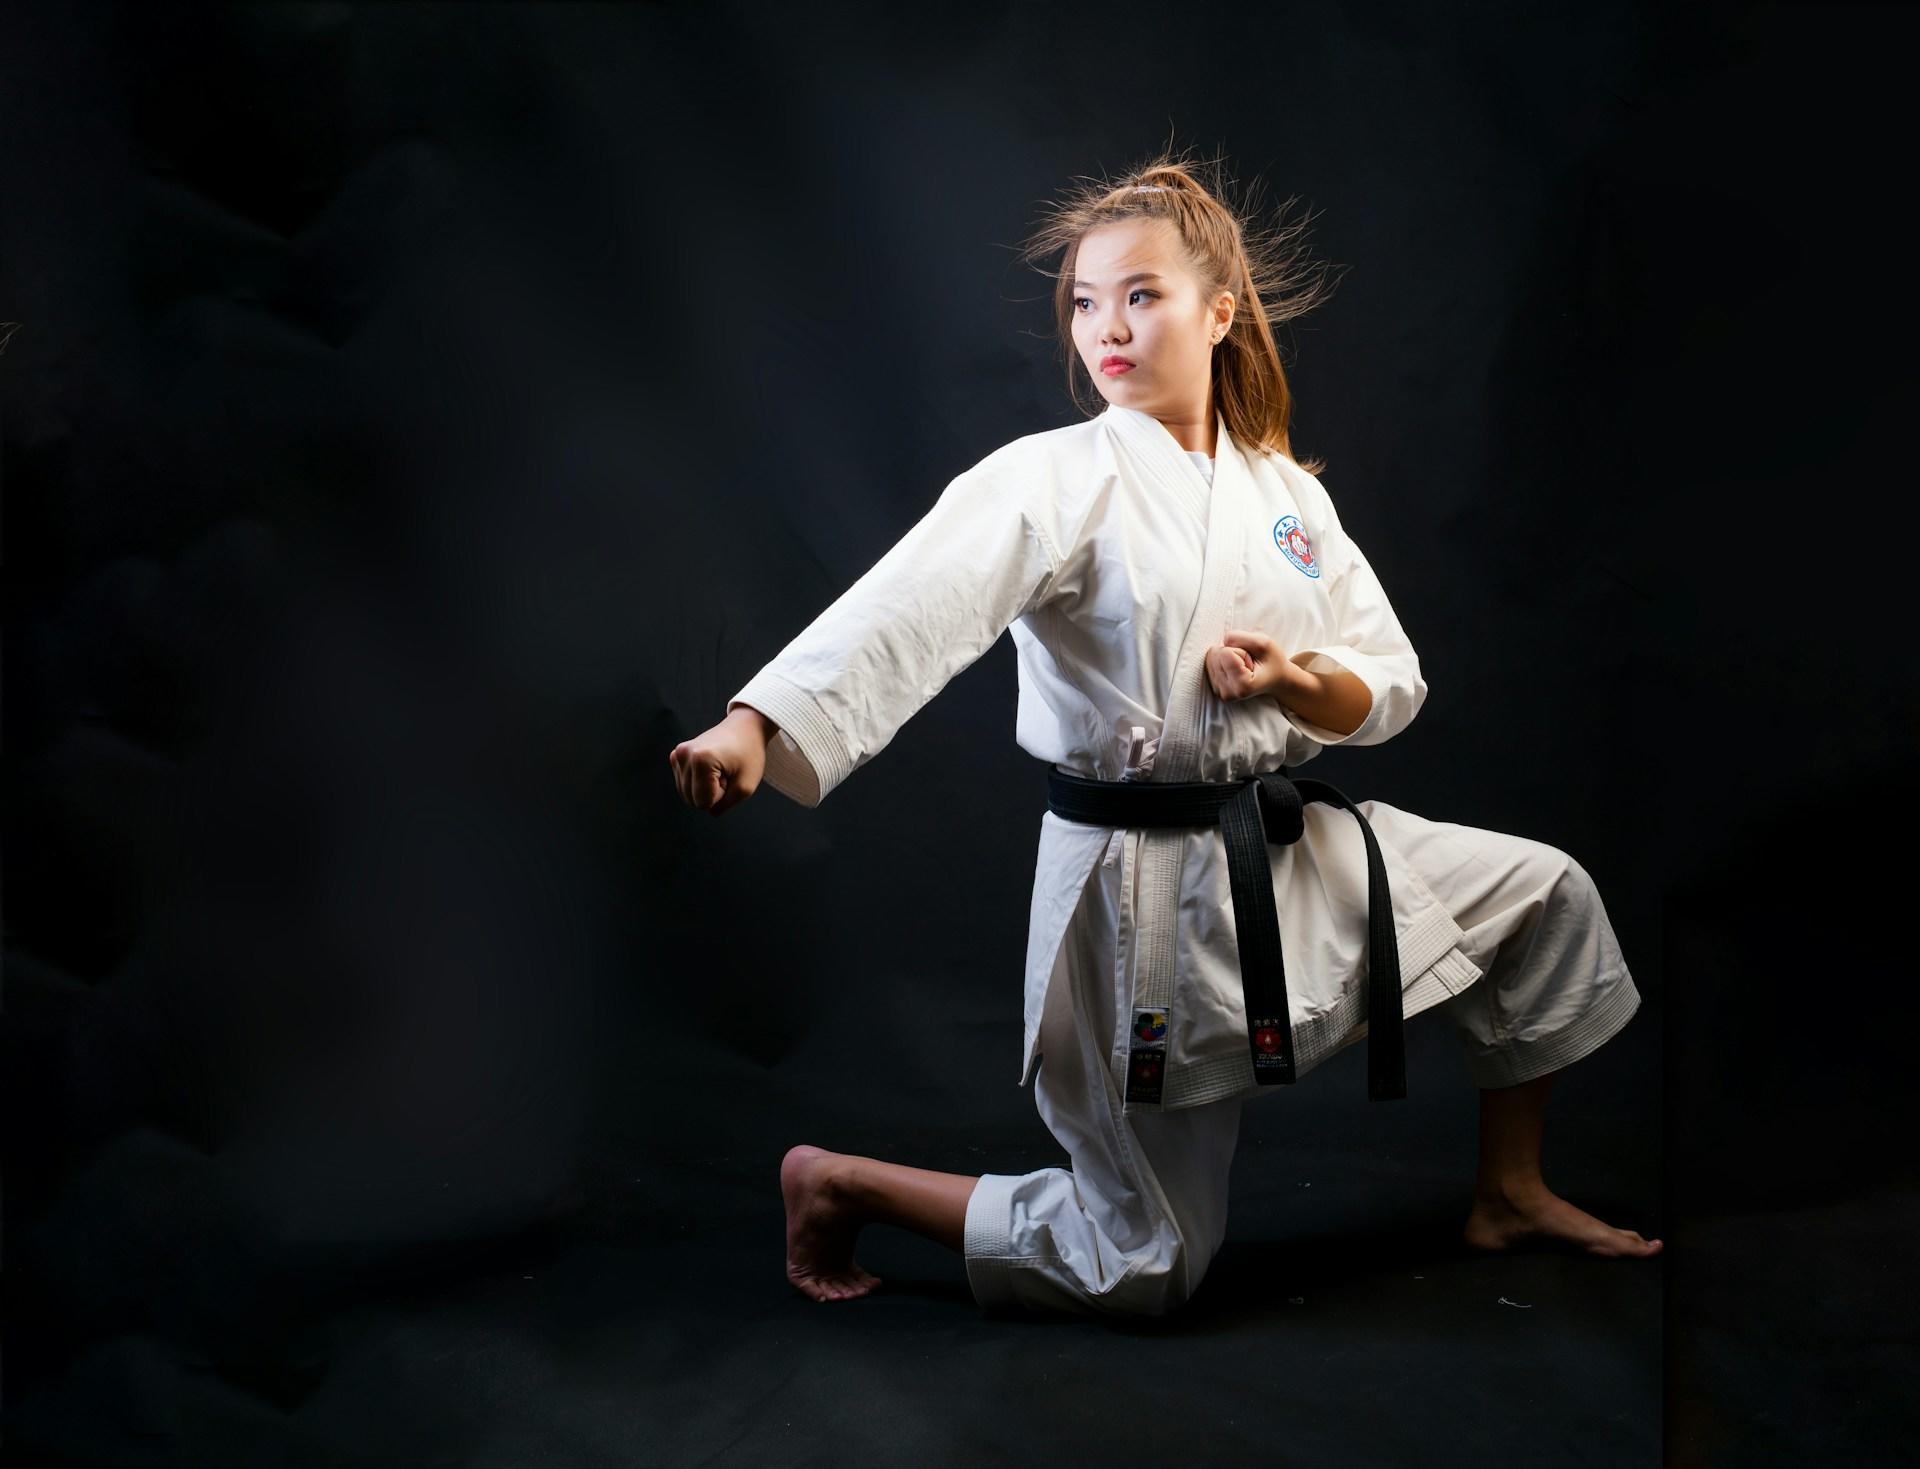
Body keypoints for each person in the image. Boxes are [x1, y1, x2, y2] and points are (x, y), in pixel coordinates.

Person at [668, 150, 1662, 1318]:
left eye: (1140, 294)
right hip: (1136, 895)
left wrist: (1296, 680)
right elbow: (910, 605)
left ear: (1219, 312)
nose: (1107, 327)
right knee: (1144, 1263)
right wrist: (758, 723)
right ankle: (845, 1182)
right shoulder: (1052, 479)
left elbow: (1390, 679)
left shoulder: (1287, 496)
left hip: (1289, 856)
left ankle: (1510, 1191)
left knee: (1545, 894)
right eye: (1086, 301)